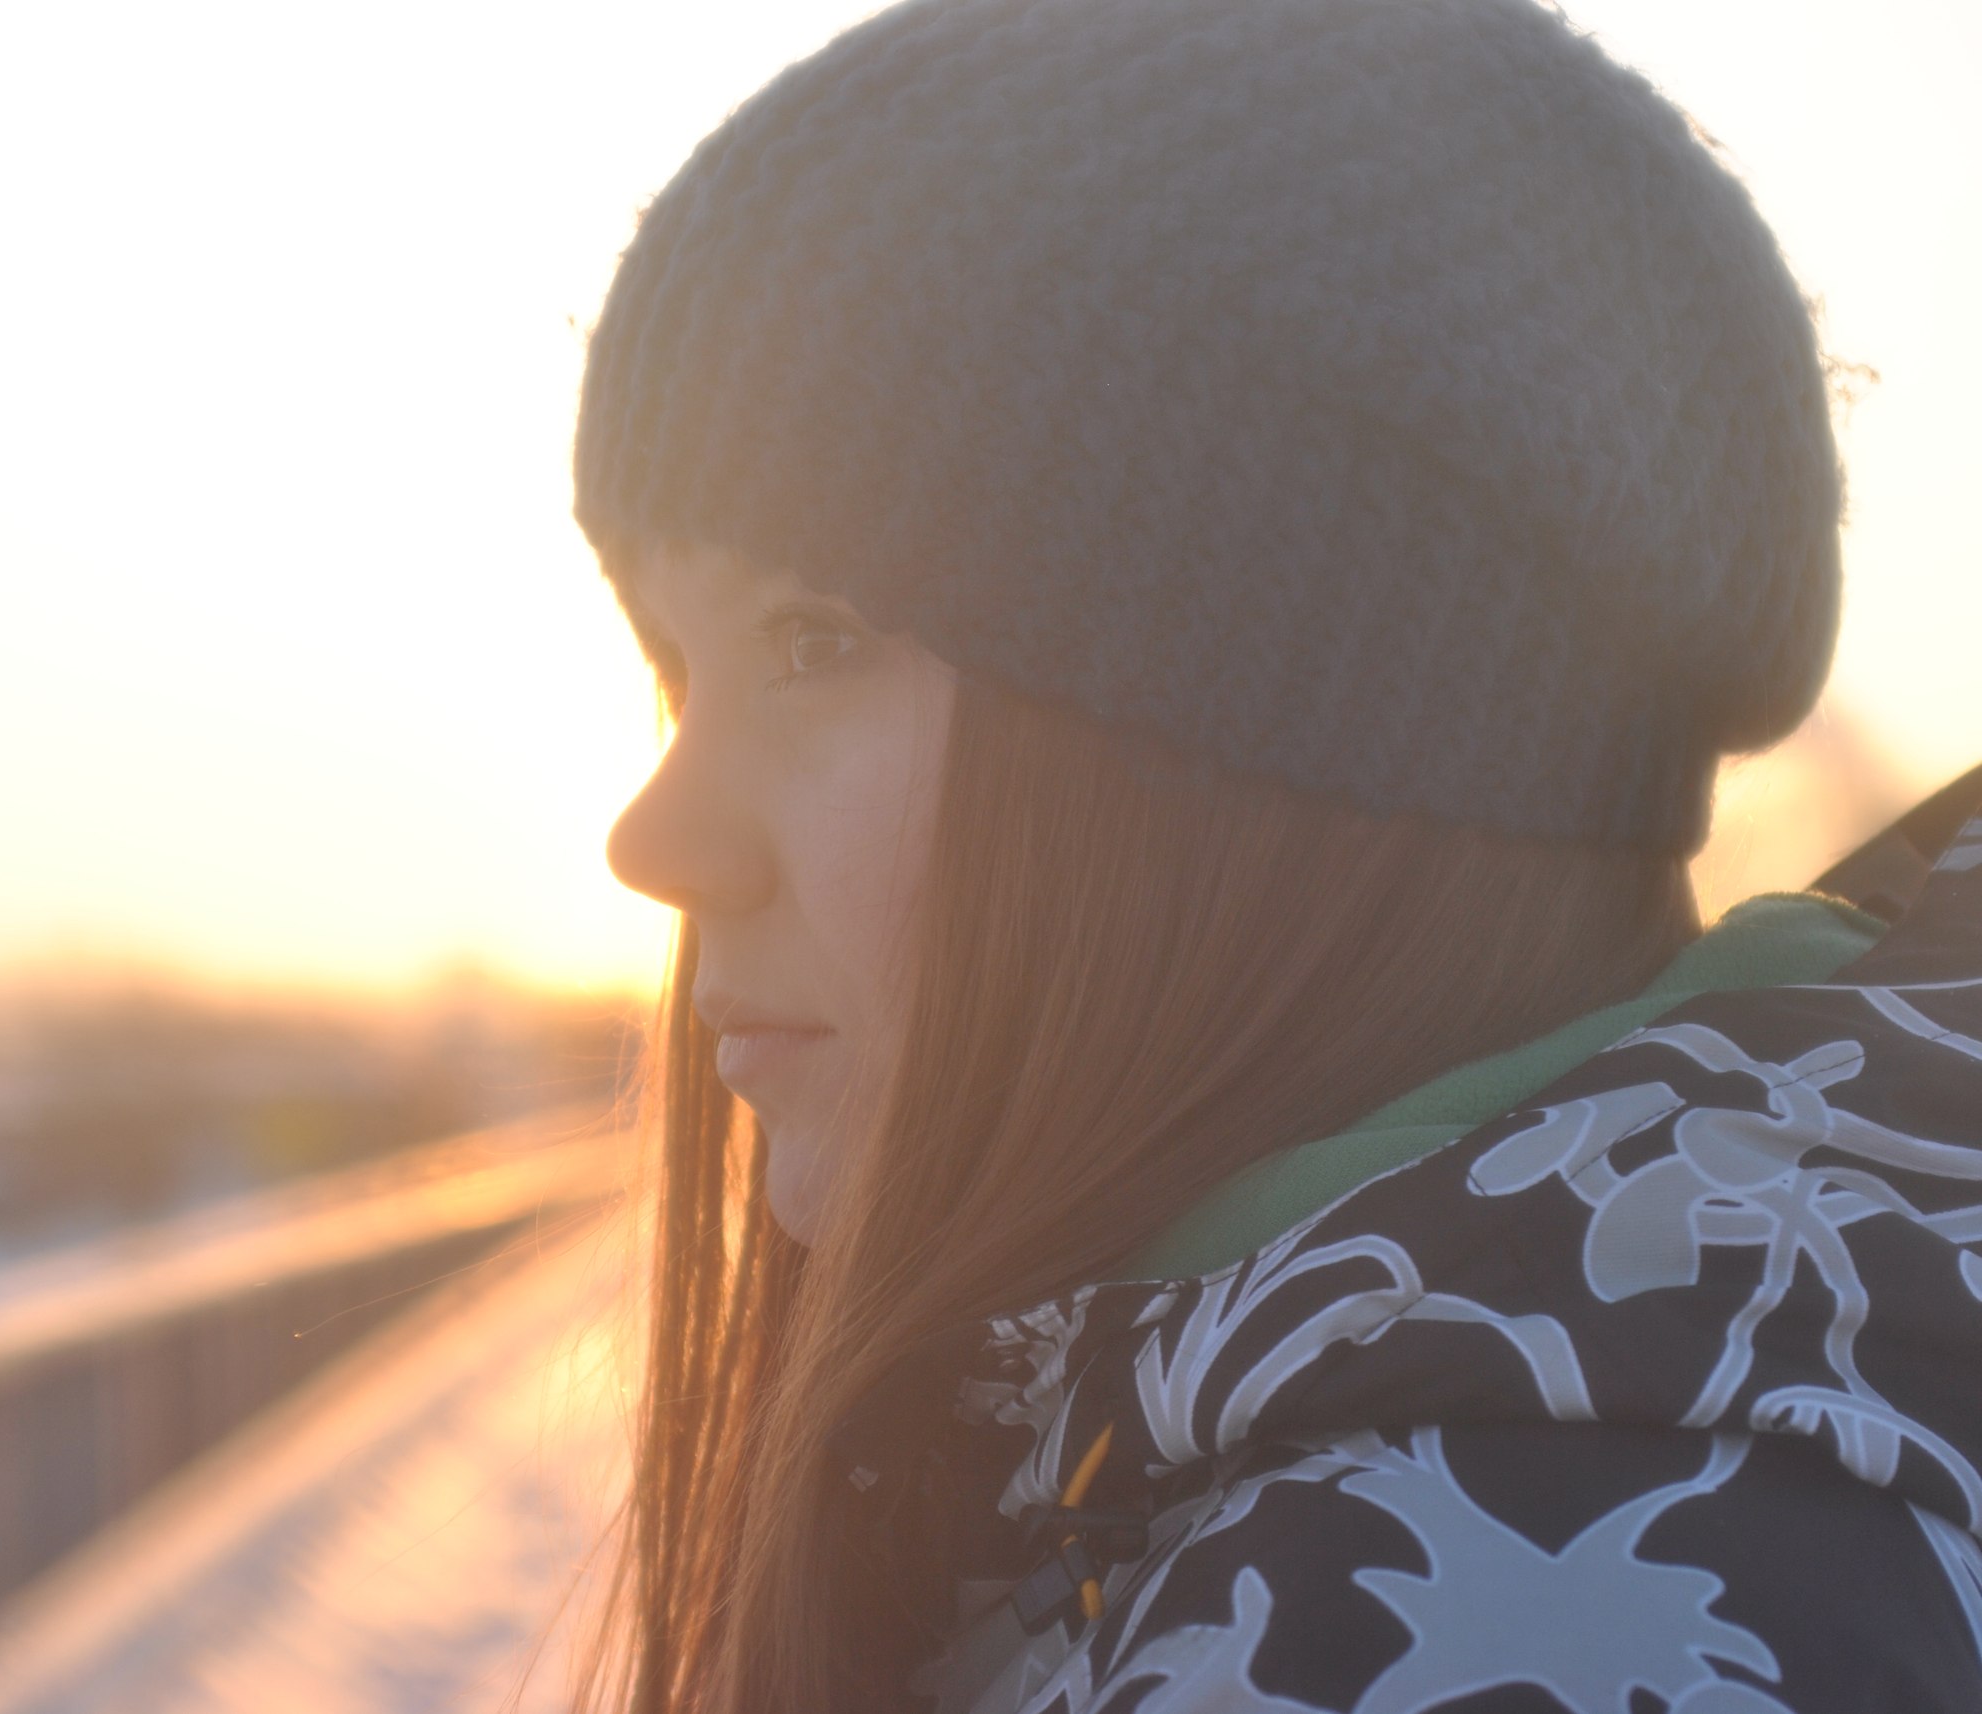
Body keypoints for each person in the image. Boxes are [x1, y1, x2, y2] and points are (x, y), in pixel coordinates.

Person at [564, 0, 1982, 1708]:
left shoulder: (1473, 1637)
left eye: (816, 639)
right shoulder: (1231, 1484)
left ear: (1308, 722)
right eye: (675, 668)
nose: (654, 836)